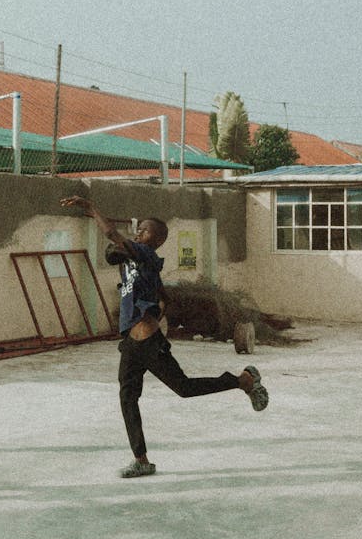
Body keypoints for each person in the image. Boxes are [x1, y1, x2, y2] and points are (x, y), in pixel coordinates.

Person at [60, 196, 268, 478]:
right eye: (138, 230)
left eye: (144, 231)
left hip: (148, 343)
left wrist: (91, 209)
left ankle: (243, 380)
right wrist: (156, 314)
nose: (138, 233)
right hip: (131, 345)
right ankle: (141, 460)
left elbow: (111, 234)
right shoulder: (134, 262)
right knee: (127, 398)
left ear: (156, 240)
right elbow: (163, 295)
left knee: (183, 388)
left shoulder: (147, 256)